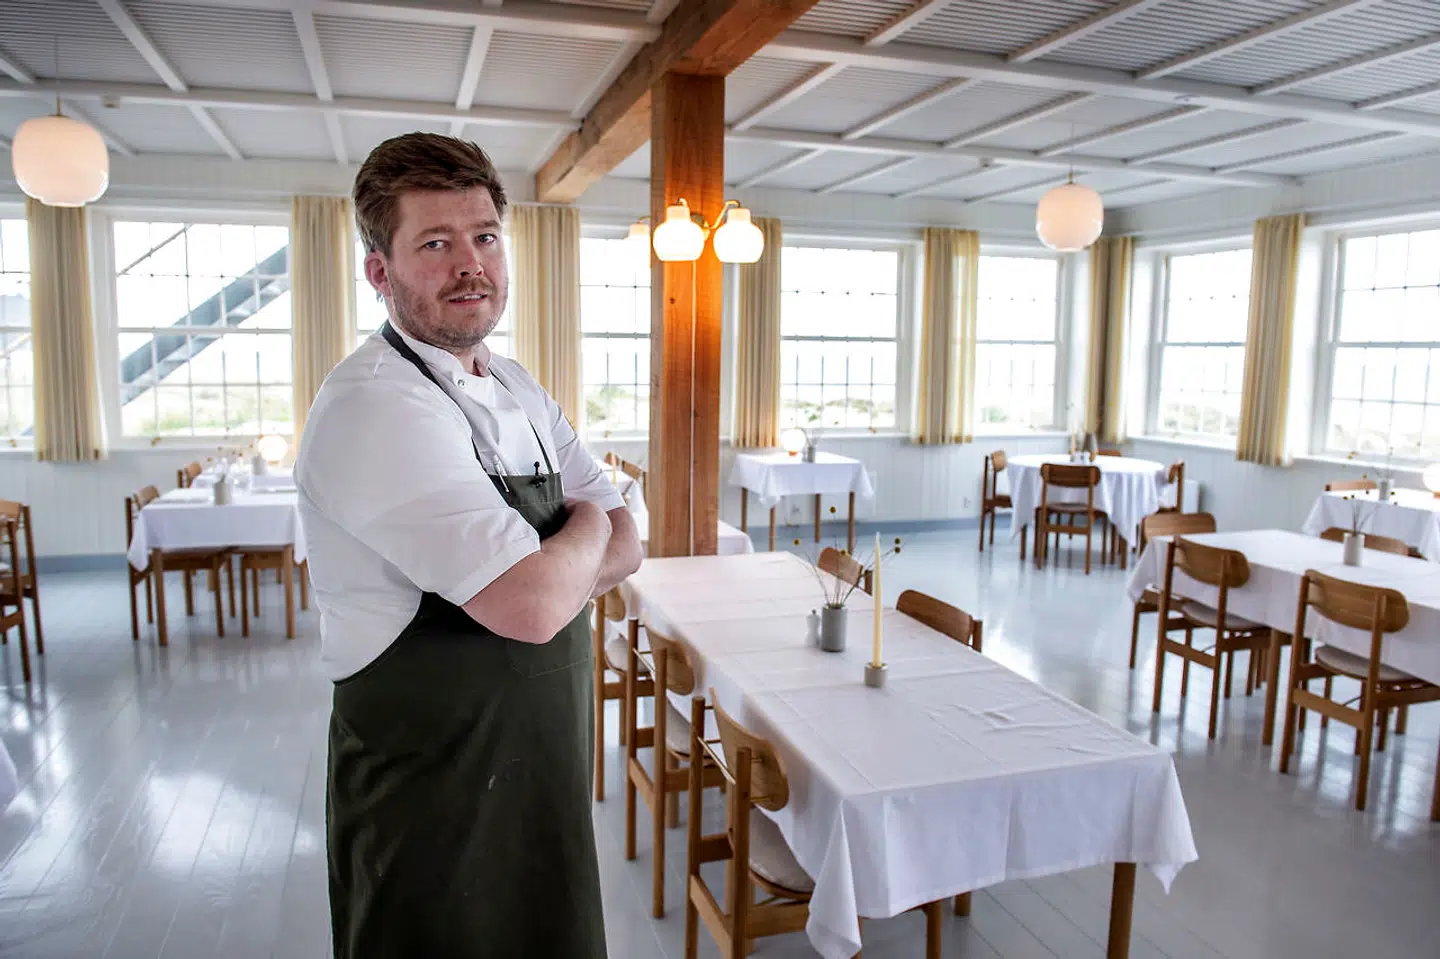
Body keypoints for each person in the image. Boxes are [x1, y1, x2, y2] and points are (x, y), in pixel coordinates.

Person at [296, 132, 641, 959]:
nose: (471, 265)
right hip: (430, 798)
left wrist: (584, 543)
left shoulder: (516, 382)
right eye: (435, 242)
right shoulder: (372, 407)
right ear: (379, 271)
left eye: (484, 236)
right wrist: (590, 517)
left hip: (541, 775)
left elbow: (636, 544)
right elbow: (532, 602)